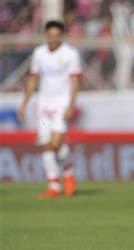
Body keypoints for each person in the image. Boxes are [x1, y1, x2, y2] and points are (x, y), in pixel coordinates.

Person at [18, 20, 81, 198]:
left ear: (62, 35)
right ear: (45, 35)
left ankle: (67, 172)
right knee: (46, 144)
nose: (53, 39)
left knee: (56, 142)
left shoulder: (70, 54)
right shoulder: (39, 53)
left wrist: (71, 104)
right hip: (44, 106)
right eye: (50, 35)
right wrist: (24, 103)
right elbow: (33, 78)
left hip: (62, 104)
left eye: (57, 35)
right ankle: (53, 185)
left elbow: (76, 80)